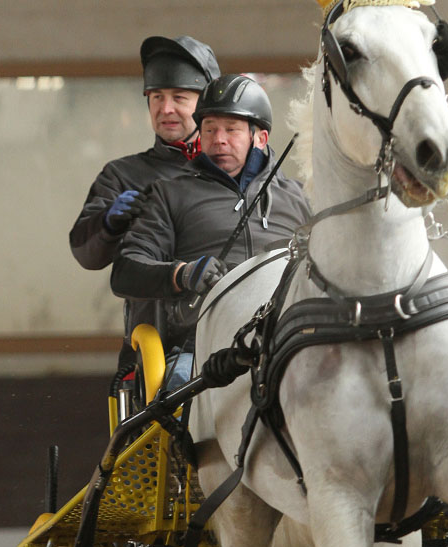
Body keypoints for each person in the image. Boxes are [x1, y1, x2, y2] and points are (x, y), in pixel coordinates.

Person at [111, 74, 309, 388]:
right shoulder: (168, 194)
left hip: (288, 344)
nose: (219, 140)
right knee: (179, 396)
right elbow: (124, 272)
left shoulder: (301, 198)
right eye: (209, 129)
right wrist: (182, 274)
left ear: (260, 138)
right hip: (199, 349)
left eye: (231, 130)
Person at [69, 34, 220, 363]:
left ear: (205, 103)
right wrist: (108, 221)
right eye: (155, 97)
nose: (166, 109)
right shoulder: (122, 175)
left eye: (179, 97)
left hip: (232, 335)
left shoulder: (231, 172)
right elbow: (85, 253)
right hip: (160, 348)